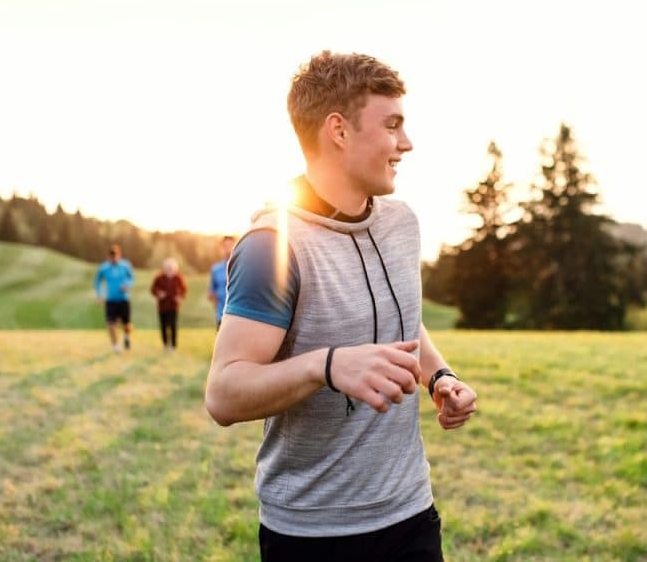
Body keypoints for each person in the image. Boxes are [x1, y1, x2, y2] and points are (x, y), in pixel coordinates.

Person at [205, 51, 478, 561]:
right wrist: (326, 366)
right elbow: (223, 395)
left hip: (412, 513)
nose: (407, 143)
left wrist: (440, 377)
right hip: (313, 536)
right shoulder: (273, 245)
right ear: (339, 131)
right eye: (392, 125)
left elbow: (405, 317)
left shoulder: (403, 224)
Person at [94, 244, 135, 353]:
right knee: (111, 323)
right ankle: (115, 346)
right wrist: (100, 295)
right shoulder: (104, 268)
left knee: (126, 324)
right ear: (109, 256)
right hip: (110, 299)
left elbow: (132, 278)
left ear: (119, 255)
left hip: (124, 299)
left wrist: (127, 285)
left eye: (116, 256)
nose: (114, 258)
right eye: (112, 256)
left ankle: (126, 337)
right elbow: (97, 281)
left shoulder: (125, 265)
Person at [150, 257, 188, 351]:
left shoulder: (178, 277)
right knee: (163, 326)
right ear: (164, 268)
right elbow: (153, 289)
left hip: (173, 306)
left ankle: (174, 345)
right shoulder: (159, 277)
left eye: (171, 268)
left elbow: (184, 289)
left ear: (175, 268)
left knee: (173, 325)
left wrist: (180, 297)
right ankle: (165, 344)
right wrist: (159, 293)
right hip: (162, 306)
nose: (169, 270)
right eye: (167, 268)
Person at [207, 235, 235, 329]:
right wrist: (213, 298)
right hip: (221, 315)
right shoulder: (216, 269)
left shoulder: (241, 267)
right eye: (225, 246)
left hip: (238, 316)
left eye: (230, 245)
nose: (228, 249)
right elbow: (211, 291)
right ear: (221, 248)